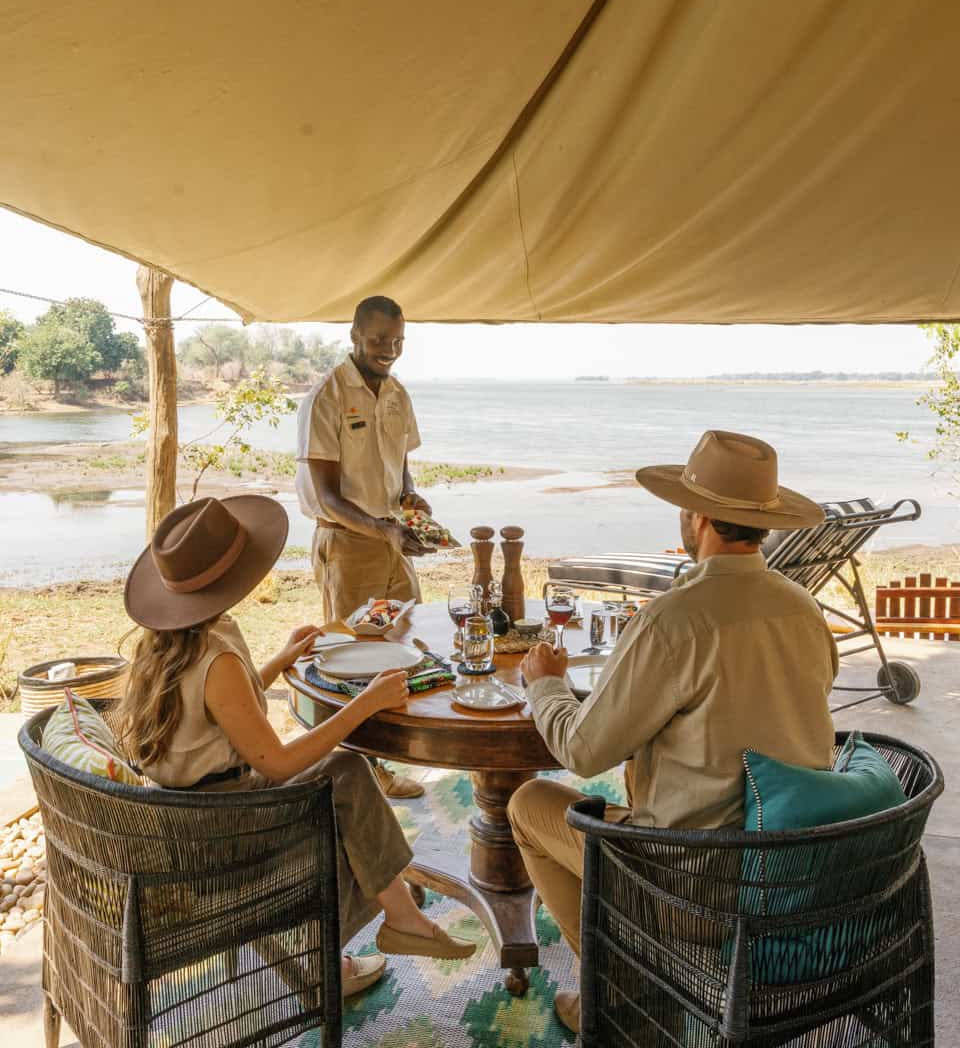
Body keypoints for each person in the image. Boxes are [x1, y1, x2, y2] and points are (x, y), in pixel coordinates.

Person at [508, 430, 838, 1034]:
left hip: (692, 884)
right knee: (640, 776)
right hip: (793, 868)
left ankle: (615, 994)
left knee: (529, 803)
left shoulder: (672, 620)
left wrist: (545, 685)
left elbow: (582, 751)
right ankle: (630, 978)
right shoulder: (803, 607)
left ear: (698, 517)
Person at [120, 494, 475, 1000]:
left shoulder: (165, 645)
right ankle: (368, 934)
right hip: (225, 831)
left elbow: (222, 711)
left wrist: (280, 660)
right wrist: (367, 703)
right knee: (346, 776)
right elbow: (279, 762)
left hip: (185, 822)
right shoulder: (216, 659)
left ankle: (392, 914)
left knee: (346, 792)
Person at [296, 295, 432, 799]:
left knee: (406, 641)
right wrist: (382, 529)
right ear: (354, 335)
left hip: (391, 538)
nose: (389, 350)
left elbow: (399, 466)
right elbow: (327, 496)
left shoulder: (397, 394)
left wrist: (409, 499)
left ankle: (391, 755)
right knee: (353, 656)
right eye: (378, 340)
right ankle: (362, 774)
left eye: (397, 341)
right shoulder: (326, 397)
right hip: (349, 543)